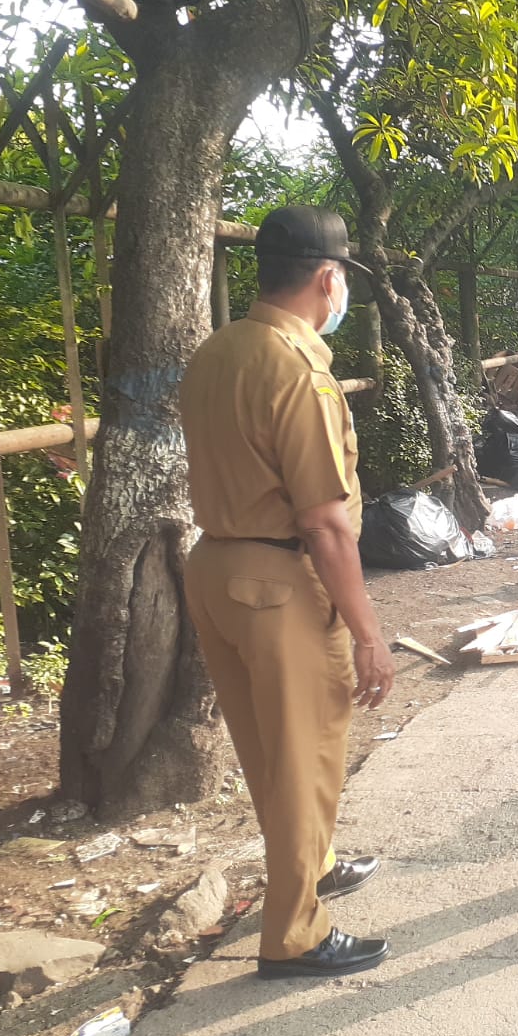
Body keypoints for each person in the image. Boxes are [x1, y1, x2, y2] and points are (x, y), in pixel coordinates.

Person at [180, 206, 393, 979]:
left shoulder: (218, 351)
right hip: (278, 582)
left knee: (269, 749)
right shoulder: (299, 371)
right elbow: (326, 524)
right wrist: (369, 634)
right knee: (307, 754)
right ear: (327, 278)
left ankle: (316, 861)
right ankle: (295, 932)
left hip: (216, 572)